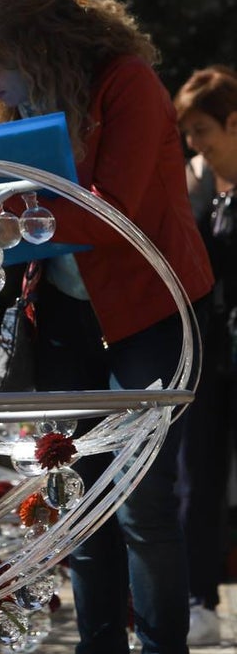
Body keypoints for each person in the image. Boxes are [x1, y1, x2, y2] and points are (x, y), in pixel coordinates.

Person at [0, 0, 215, 654]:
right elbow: (0, 191)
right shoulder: (12, 99)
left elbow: (111, 210)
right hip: (65, 313)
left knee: (142, 502)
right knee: (81, 502)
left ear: (36, 46)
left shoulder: (127, 83)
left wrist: (3, 217)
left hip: (150, 309)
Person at [173, 64, 237, 646]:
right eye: (188, 132)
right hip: (208, 350)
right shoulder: (193, 180)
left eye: (202, 130)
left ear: (233, 123)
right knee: (198, 476)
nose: (195, 143)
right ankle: (200, 600)